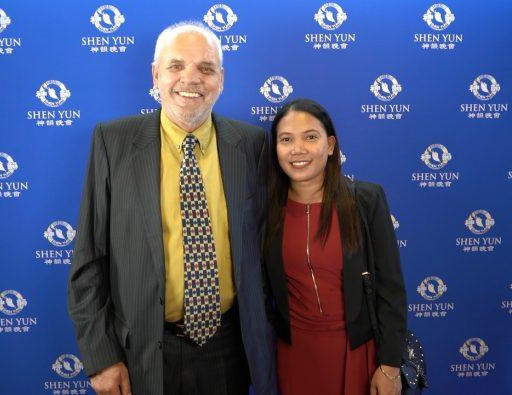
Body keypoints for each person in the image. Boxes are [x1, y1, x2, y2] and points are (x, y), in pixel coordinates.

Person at [67, 21, 277, 395]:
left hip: (230, 350)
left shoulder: (252, 144)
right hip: (143, 352)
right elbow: (88, 261)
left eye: (206, 68)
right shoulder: (112, 143)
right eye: (177, 66)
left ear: (221, 79)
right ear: (156, 74)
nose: (190, 79)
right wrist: (101, 357)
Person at [264, 98, 407, 395]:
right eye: (286, 139)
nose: (298, 149)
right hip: (294, 355)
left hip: (358, 353)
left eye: (310, 137)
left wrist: (390, 366)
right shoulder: (265, 211)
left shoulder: (366, 200)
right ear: (275, 148)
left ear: (330, 146)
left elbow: (390, 289)